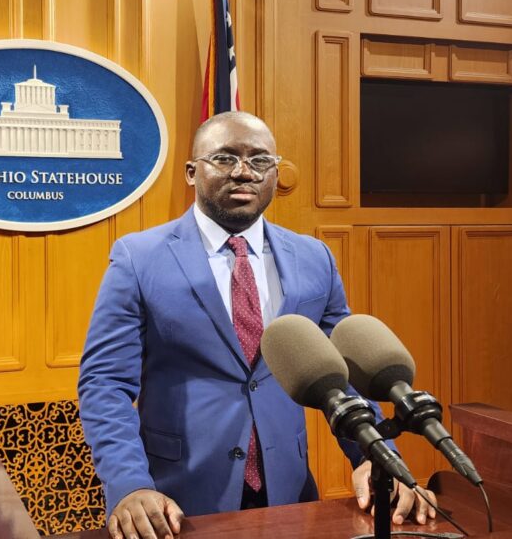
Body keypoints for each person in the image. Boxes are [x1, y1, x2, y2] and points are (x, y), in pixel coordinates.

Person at [77, 112, 436, 539]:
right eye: (225, 158)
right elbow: (104, 383)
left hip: (290, 496)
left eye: (260, 160)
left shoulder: (313, 258)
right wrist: (129, 486)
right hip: (175, 504)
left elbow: (347, 374)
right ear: (192, 172)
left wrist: (377, 459)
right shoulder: (139, 258)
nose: (244, 172)